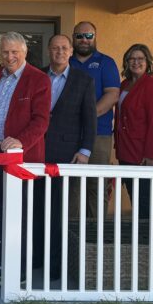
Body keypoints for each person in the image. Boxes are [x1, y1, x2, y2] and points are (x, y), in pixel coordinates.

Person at [0, 32, 51, 281]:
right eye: (5, 52)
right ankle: (0, 263)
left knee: (22, 215)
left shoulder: (38, 79)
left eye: (15, 52)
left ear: (25, 52)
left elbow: (41, 121)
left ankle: (20, 271)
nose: (10, 57)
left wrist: (21, 141)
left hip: (22, 157)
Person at [36, 34, 97, 275]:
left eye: (64, 48)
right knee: (36, 207)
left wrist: (85, 150)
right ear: (48, 51)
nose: (59, 52)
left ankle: (55, 265)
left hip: (66, 154)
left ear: (71, 51)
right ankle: (36, 257)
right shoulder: (38, 76)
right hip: (36, 152)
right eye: (54, 48)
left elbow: (89, 119)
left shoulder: (83, 80)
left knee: (58, 211)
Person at [68, 21, 121, 211]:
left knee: (96, 185)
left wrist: (87, 118)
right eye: (79, 36)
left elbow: (112, 94)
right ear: (73, 38)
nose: (84, 40)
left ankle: (95, 233)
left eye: (89, 36)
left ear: (95, 38)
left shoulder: (106, 62)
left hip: (99, 133)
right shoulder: (66, 61)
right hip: (70, 134)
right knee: (71, 184)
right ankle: (71, 232)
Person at [115, 43, 153, 220]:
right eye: (132, 59)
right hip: (128, 153)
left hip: (147, 156)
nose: (136, 62)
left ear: (148, 62)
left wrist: (151, 155)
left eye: (140, 59)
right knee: (136, 199)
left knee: (146, 200)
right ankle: (141, 239)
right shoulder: (124, 85)